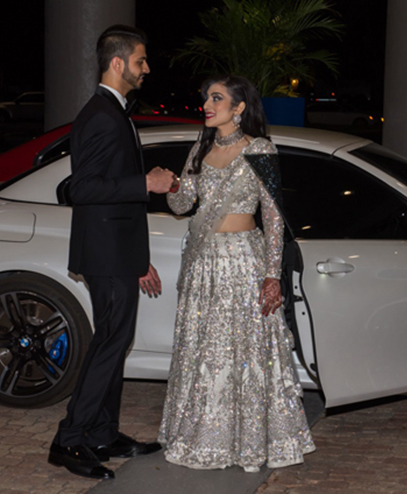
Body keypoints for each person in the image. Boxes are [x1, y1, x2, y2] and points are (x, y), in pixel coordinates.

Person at [158, 75, 315, 472]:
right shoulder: (201, 146)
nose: (207, 105)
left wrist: (272, 275)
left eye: (216, 98)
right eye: (205, 98)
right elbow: (181, 206)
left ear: (240, 107)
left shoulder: (260, 149)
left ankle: (248, 441)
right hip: (203, 263)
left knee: (243, 353)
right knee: (205, 351)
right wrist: (172, 184)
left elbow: (274, 217)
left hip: (243, 261)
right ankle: (202, 437)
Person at [48, 25, 176, 480]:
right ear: (118, 63)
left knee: (115, 343)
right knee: (109, 344)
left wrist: (137, 257)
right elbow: (81, 189)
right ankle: (69, 438)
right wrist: (147, 183)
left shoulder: (113, 111)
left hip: (116, 251)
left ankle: (102, 432)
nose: (146, 69)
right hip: (103, 253)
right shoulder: (101, 115)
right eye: (141, 61)